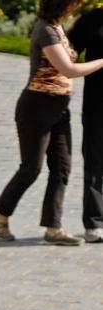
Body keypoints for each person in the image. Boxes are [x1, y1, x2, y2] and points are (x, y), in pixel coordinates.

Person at [0, 0, 103, 246]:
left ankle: (54, 228)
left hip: (60, 107)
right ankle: (1, 213)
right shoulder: (46, 30)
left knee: (62, 168)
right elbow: (69, 69)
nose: (77, 6)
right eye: (73, 3)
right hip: (37, 107)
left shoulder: (59, 28)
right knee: (32, 168)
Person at [68, 8, 103, 243]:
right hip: (97, 105)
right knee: (95, 164)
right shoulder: (92, 20)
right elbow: (67, 52)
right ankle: (95, 223)